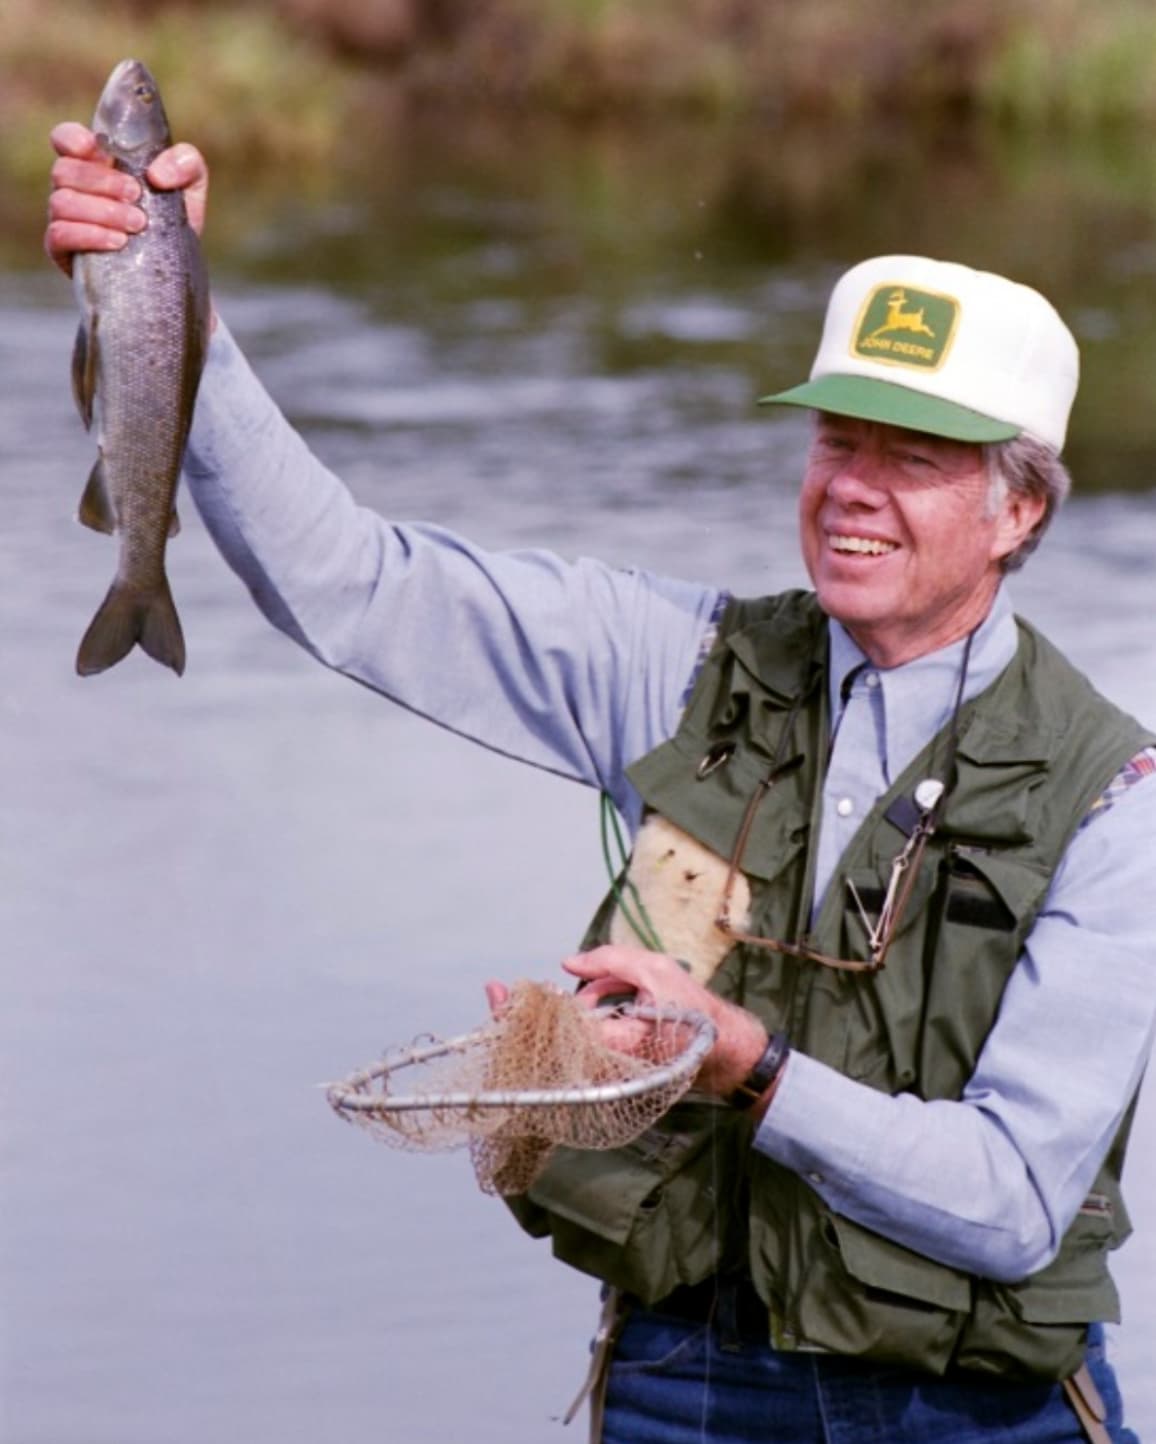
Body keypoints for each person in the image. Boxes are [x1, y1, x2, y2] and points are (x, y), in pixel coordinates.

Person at [46, 126, 1156, 1444]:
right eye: (836, 441)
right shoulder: (673, 660)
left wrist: (745, 1065)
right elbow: (353, 586)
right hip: (684, 1386)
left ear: (1020, 508)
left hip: (982, 1415)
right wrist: (176, 302)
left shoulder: (1114, 794)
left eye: (913, 455)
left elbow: (1017, 1199)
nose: (853, 490)